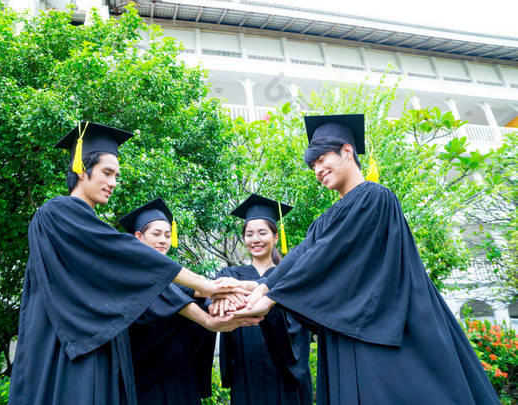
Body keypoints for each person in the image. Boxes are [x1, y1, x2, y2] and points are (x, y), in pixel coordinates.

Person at [234, 114, 501, 404]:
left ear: (347, 150)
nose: (318, 170)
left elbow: (331, 253)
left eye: (322, 159)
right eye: (313, 166)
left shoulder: (375, 197)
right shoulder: (325, 219)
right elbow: (301, 254)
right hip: (348, 323)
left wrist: (272, 296)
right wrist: (261, 287)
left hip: (383, 323)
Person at [8, 122, 248, 405]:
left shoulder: (93, 228)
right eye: (107, 173)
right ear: (81, 169)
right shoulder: (57, 213)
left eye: (116, 175)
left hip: (97, 346)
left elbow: (143, 282)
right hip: (66, 346)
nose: (113, 183)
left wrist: (207, 317)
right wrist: (206, 287)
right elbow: (130, 257)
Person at [119, 198, 260, 405]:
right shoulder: (128, 271)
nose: (163, 240)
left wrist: (221, 301)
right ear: (139, 237)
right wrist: (217, 296)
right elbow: (179, 292)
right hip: (145, 374)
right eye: (156, 234)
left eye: (167, 235)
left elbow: (195, 291)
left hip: (180, 372)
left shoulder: (176, 274)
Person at [209, 194, 313, 405]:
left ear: (276, 237)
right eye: (249, 234)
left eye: (262, 233)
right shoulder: (233, 275)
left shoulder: (291, 275)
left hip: (285, 369)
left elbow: (302, 321)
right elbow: (218, 304)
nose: (255, 240)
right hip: (247, 368)